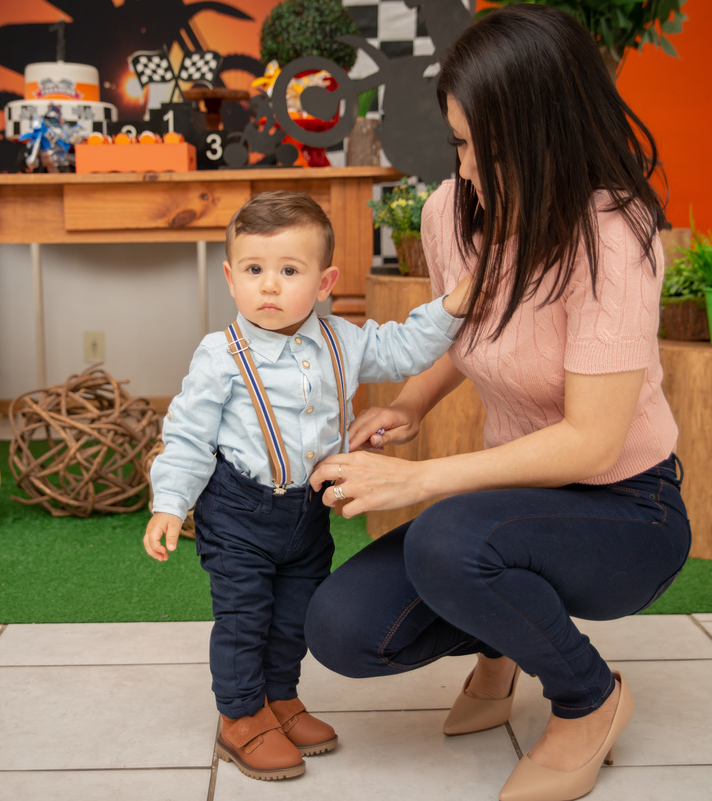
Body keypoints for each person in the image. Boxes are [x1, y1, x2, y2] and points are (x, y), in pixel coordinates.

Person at [303, 6, 692, 801]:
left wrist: (418, 478)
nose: (468, 168)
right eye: (459, 142)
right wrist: (413, 402)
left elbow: (590, 442)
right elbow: (480, 328)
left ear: (550, 133)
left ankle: (588, 699)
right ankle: (503, 636)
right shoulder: (454, 211)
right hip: (511, 502)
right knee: (342, 628)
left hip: (626, 507)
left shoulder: (613, 238)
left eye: (488, 146)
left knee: (447, 539)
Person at [143, 191, 473, 782]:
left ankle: (279, 698)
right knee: (246, 617)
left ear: (325, 283)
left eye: (289, 271)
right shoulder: (220, 355)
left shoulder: (342, 340)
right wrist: (170, 504)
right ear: (231, 278)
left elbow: (405, 348)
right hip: (240, 512)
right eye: (254, 270)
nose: (269, 286)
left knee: (294, 612)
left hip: (308, 512)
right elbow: (187, 435)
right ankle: (240, 715)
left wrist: (454, 305)